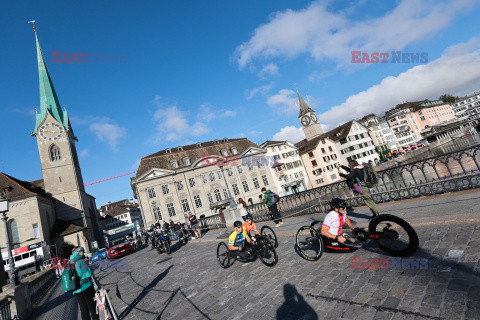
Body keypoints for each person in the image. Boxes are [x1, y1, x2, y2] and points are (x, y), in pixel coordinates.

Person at [70, 246, 99, 320]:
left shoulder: (70, 262)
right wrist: (91, 269)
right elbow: (88, 274)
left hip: (76, 290)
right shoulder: (81, 261)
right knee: (93, 307)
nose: (83, 252)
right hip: (86, 287)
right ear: (77, 252)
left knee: (84, 310)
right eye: (81, 251)